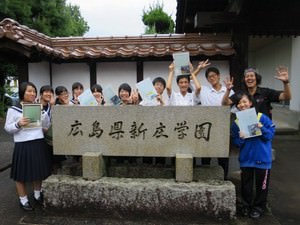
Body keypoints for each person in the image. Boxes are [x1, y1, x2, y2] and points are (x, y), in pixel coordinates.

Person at [4, 82, 51, 211]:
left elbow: (46, 125)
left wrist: (42, 114)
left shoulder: (38, 107)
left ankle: (37, 195)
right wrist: (18, 124)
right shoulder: (14, 110)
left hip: (38, 142)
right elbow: (7, 128)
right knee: (21, 174)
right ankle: (23, 199)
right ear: (22, 93)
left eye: (34, 91)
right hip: (23, 144)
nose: (32, 93)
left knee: (38, 172)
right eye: (29, 91)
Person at [231, 92, 275, 219]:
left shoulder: (262, 117)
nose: (242, 104)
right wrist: (241, 138)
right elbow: (236, 143)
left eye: (244, 101)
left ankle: (258, 207)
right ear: (237, 106)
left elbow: (270, 136)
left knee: (262, 186)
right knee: (246, 185)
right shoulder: (236, 122)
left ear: (250, 103)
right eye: (239, 103)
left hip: (263, 158)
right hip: (246, 159)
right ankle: (246, 206)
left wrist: (262, 128)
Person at [197, 65, 234, 180]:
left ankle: (224, 179)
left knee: (222, 156)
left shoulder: (229, 90)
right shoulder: (204, 90)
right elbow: (192, 79)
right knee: (206, 156)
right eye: (209, 77)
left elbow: (234, 108)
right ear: (207, 79)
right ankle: (204, 178)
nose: (212, 78)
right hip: (207, 128)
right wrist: (197, 69)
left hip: (222, 128)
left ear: (218, 76)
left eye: (213, 76)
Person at [222, 66, 291, 119]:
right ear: (244, 80)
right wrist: (228, 90)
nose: (249, 78)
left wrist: (286, 83)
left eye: (252, 76)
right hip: (246, 130)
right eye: (247, 76)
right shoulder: (240, 94)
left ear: (257, 78)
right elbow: (225, 103)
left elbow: (286, 97)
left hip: (264, 130)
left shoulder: (266, 92)